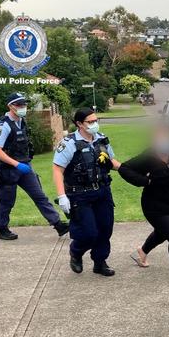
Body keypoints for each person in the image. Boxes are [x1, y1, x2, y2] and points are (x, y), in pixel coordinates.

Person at [118, 126, 169, 284]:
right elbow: (125, 169)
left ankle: (142, 252)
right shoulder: (148, 156)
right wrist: (145, 181)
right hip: (154, 206)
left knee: (163, 232)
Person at [0, 92, 69, 240]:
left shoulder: (21, 121)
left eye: (24, 104)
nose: (23, 107)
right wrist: (16, 164)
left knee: (39, 196)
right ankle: (1, 228)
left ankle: (58, 224)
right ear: (10, 106)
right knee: (7, 201)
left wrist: (24, 164)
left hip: (25, 167)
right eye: (19, 105)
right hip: (9, 170)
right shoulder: (2, 125)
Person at [52, 108, 121, 276]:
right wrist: (62, 196)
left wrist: (131, 171)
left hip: (103, 191)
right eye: (90, 122)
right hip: (80, 195)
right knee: (89, 233)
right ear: (79, 124)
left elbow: (111, 162)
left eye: (96, 120)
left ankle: (100, 261)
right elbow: (57, 170)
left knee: (105, 229)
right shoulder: (69, 143)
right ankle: (76, 252)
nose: (94, 124)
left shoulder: (101, 139)